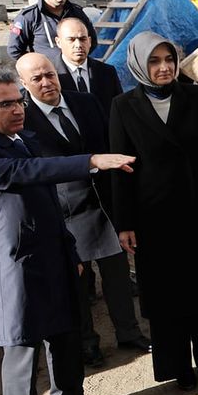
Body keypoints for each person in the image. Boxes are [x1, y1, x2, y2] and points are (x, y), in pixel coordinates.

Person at [0, 66, 133, 395]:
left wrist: (70, 250)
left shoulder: (22, 139)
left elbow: (50, 204)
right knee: (21, 346)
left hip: (54, 253)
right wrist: (91, 160)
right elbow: (24, 174)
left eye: (18, 100)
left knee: (66, 334)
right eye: (7, 104)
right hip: (13, 264)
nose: (19, 108)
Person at [110, 32, 198, 392]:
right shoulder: (124, 107)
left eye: (168, 59)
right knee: (170, 296)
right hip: (155, 220)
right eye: (154, 61)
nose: (164, 67)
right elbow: (120, 171)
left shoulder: (196, 96)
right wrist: (124, 223)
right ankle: (178, 366)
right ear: (140, 64)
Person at [17, 54, 150, 367]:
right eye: (36, 79)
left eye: (50, 74)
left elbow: (109, 143)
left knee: (117, 271)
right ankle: (87, 342)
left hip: (102, 202)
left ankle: (128, 332)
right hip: (64, 211)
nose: (47, 82)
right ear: (23, 84)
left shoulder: (86, 102)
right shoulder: (23, 119)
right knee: (76, 283)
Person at [7, 0, 97, 64]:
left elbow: (92, 42)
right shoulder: (29, 17)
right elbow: (15, 50)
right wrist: (38, 66)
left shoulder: (77, 13)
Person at [53, 17, 123, 125]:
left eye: (82, 39)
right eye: (71, 39)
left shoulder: (107, 72)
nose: (78, 45)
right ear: (58, 42)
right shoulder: (50, 75)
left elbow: (119, 111)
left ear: (89, 41)